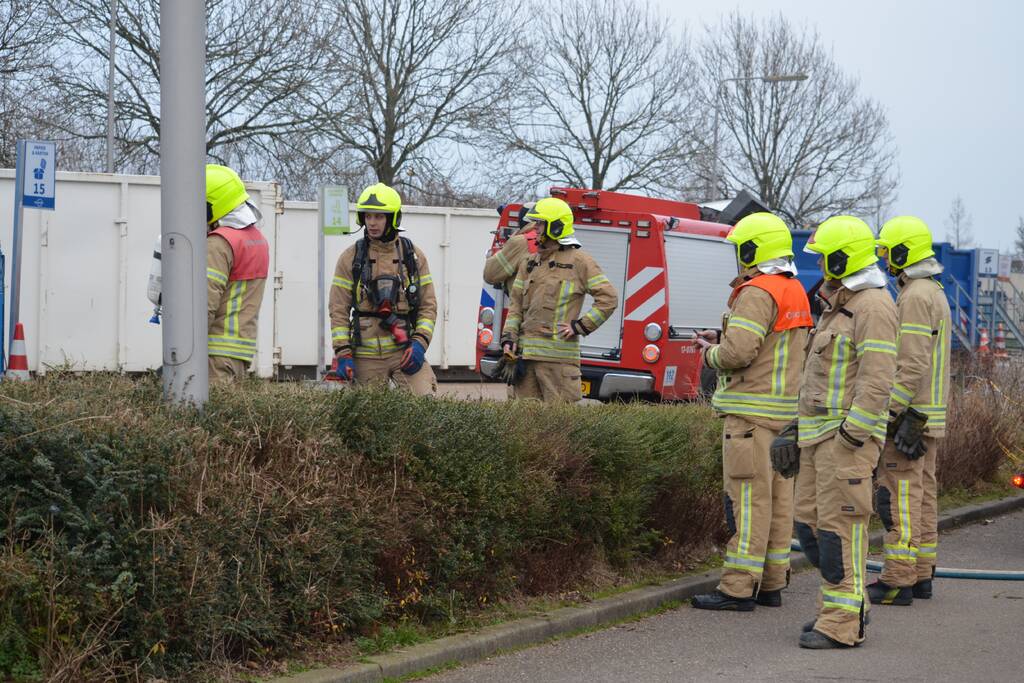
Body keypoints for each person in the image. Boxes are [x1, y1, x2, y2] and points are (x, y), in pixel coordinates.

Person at [785, 215, 897, 649]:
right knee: (810, 529)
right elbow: (819, 379)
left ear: (841, 259)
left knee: (838, 531)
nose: (821, 267)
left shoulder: (872, 306)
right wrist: (796, 430)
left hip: (844, 442)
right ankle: (844, 606)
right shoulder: (841, 305)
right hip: (818, 438)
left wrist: (853, 435)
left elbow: (877, 378)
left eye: (826, 258)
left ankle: (841, 623)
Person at [690, 212, 812, 612]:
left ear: (753, 249)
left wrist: (710, 352)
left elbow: (739, 353)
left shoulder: (757, 291)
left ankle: (738, 588)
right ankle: (772, 583)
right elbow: (770, 347)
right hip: (782, 416)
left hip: (749, 417)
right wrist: (723, 336)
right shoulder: (793, 289)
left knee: (747, 502)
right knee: (778, 504)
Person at [867, 216, 951, 605]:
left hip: (910, 416)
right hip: (926, 415)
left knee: (897, 495)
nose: (885, 260)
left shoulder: (915, 295)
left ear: (903, 252)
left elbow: (912, 363)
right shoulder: (931, 290)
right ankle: (920, 574)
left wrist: (890, 412)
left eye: (887, 252)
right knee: (921, 494)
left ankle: (898, 578)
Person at [500, 197, 618, 402]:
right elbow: (516, 305)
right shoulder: (529, 262)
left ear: (555, 226)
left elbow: (609, 298)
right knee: (523, 425)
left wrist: (580, 326)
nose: (535, 228)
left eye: (540, 223)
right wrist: (509, 338)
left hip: (558, 365)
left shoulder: (580, 261)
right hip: (525, 360)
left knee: (559, 425)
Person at [328, 182, 437, 394]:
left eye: (379, 216)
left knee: (425, 406)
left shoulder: (412, 256)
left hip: (404, 352)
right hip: (364, 357)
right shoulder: (350, 258)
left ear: (393, 218)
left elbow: (428, 306)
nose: (372, 223)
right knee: (364, 419)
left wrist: (419, 344)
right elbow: (338, 309)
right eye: (368, 216)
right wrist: (343, 353)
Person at [205, 164, 270, 382]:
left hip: (214, 352)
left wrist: (182, 348)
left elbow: (204, 302)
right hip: (240, 351)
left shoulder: (219, 243)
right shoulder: (257, 239)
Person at [483, 203, 537, 291]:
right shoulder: (560, 241)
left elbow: (490, 275)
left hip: (522, 303)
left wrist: (505, 248)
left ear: (522, 219)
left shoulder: (520, 242)